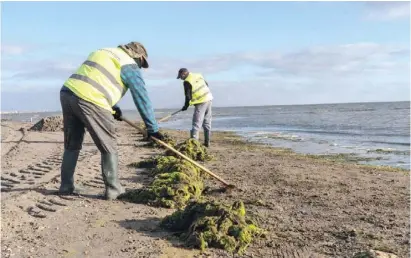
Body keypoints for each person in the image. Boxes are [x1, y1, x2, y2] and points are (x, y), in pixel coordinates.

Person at [59, 41, 164, 200]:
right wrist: (153, 129)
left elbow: (95, 78)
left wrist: (113, 106)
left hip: (68, 93)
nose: (140, 68)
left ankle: (66, 186)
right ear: (138, 56)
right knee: (108, 143)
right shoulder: (129, 64)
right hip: (91, 99)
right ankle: (114, 189)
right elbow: (141, 98)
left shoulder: (103, 52)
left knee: (72, 142)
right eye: (142, 63)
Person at [176, 68, 213, 147]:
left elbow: (188, 96)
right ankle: (207, 143)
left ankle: (194, 145)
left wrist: (185, 106)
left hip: (200, 102)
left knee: (196, 124)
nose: (181, 79)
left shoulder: (187, 81)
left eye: (180, 77)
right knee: (207, 122)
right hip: (209, 99)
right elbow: (206, 84)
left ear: (183, 74)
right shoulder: (198, 75)